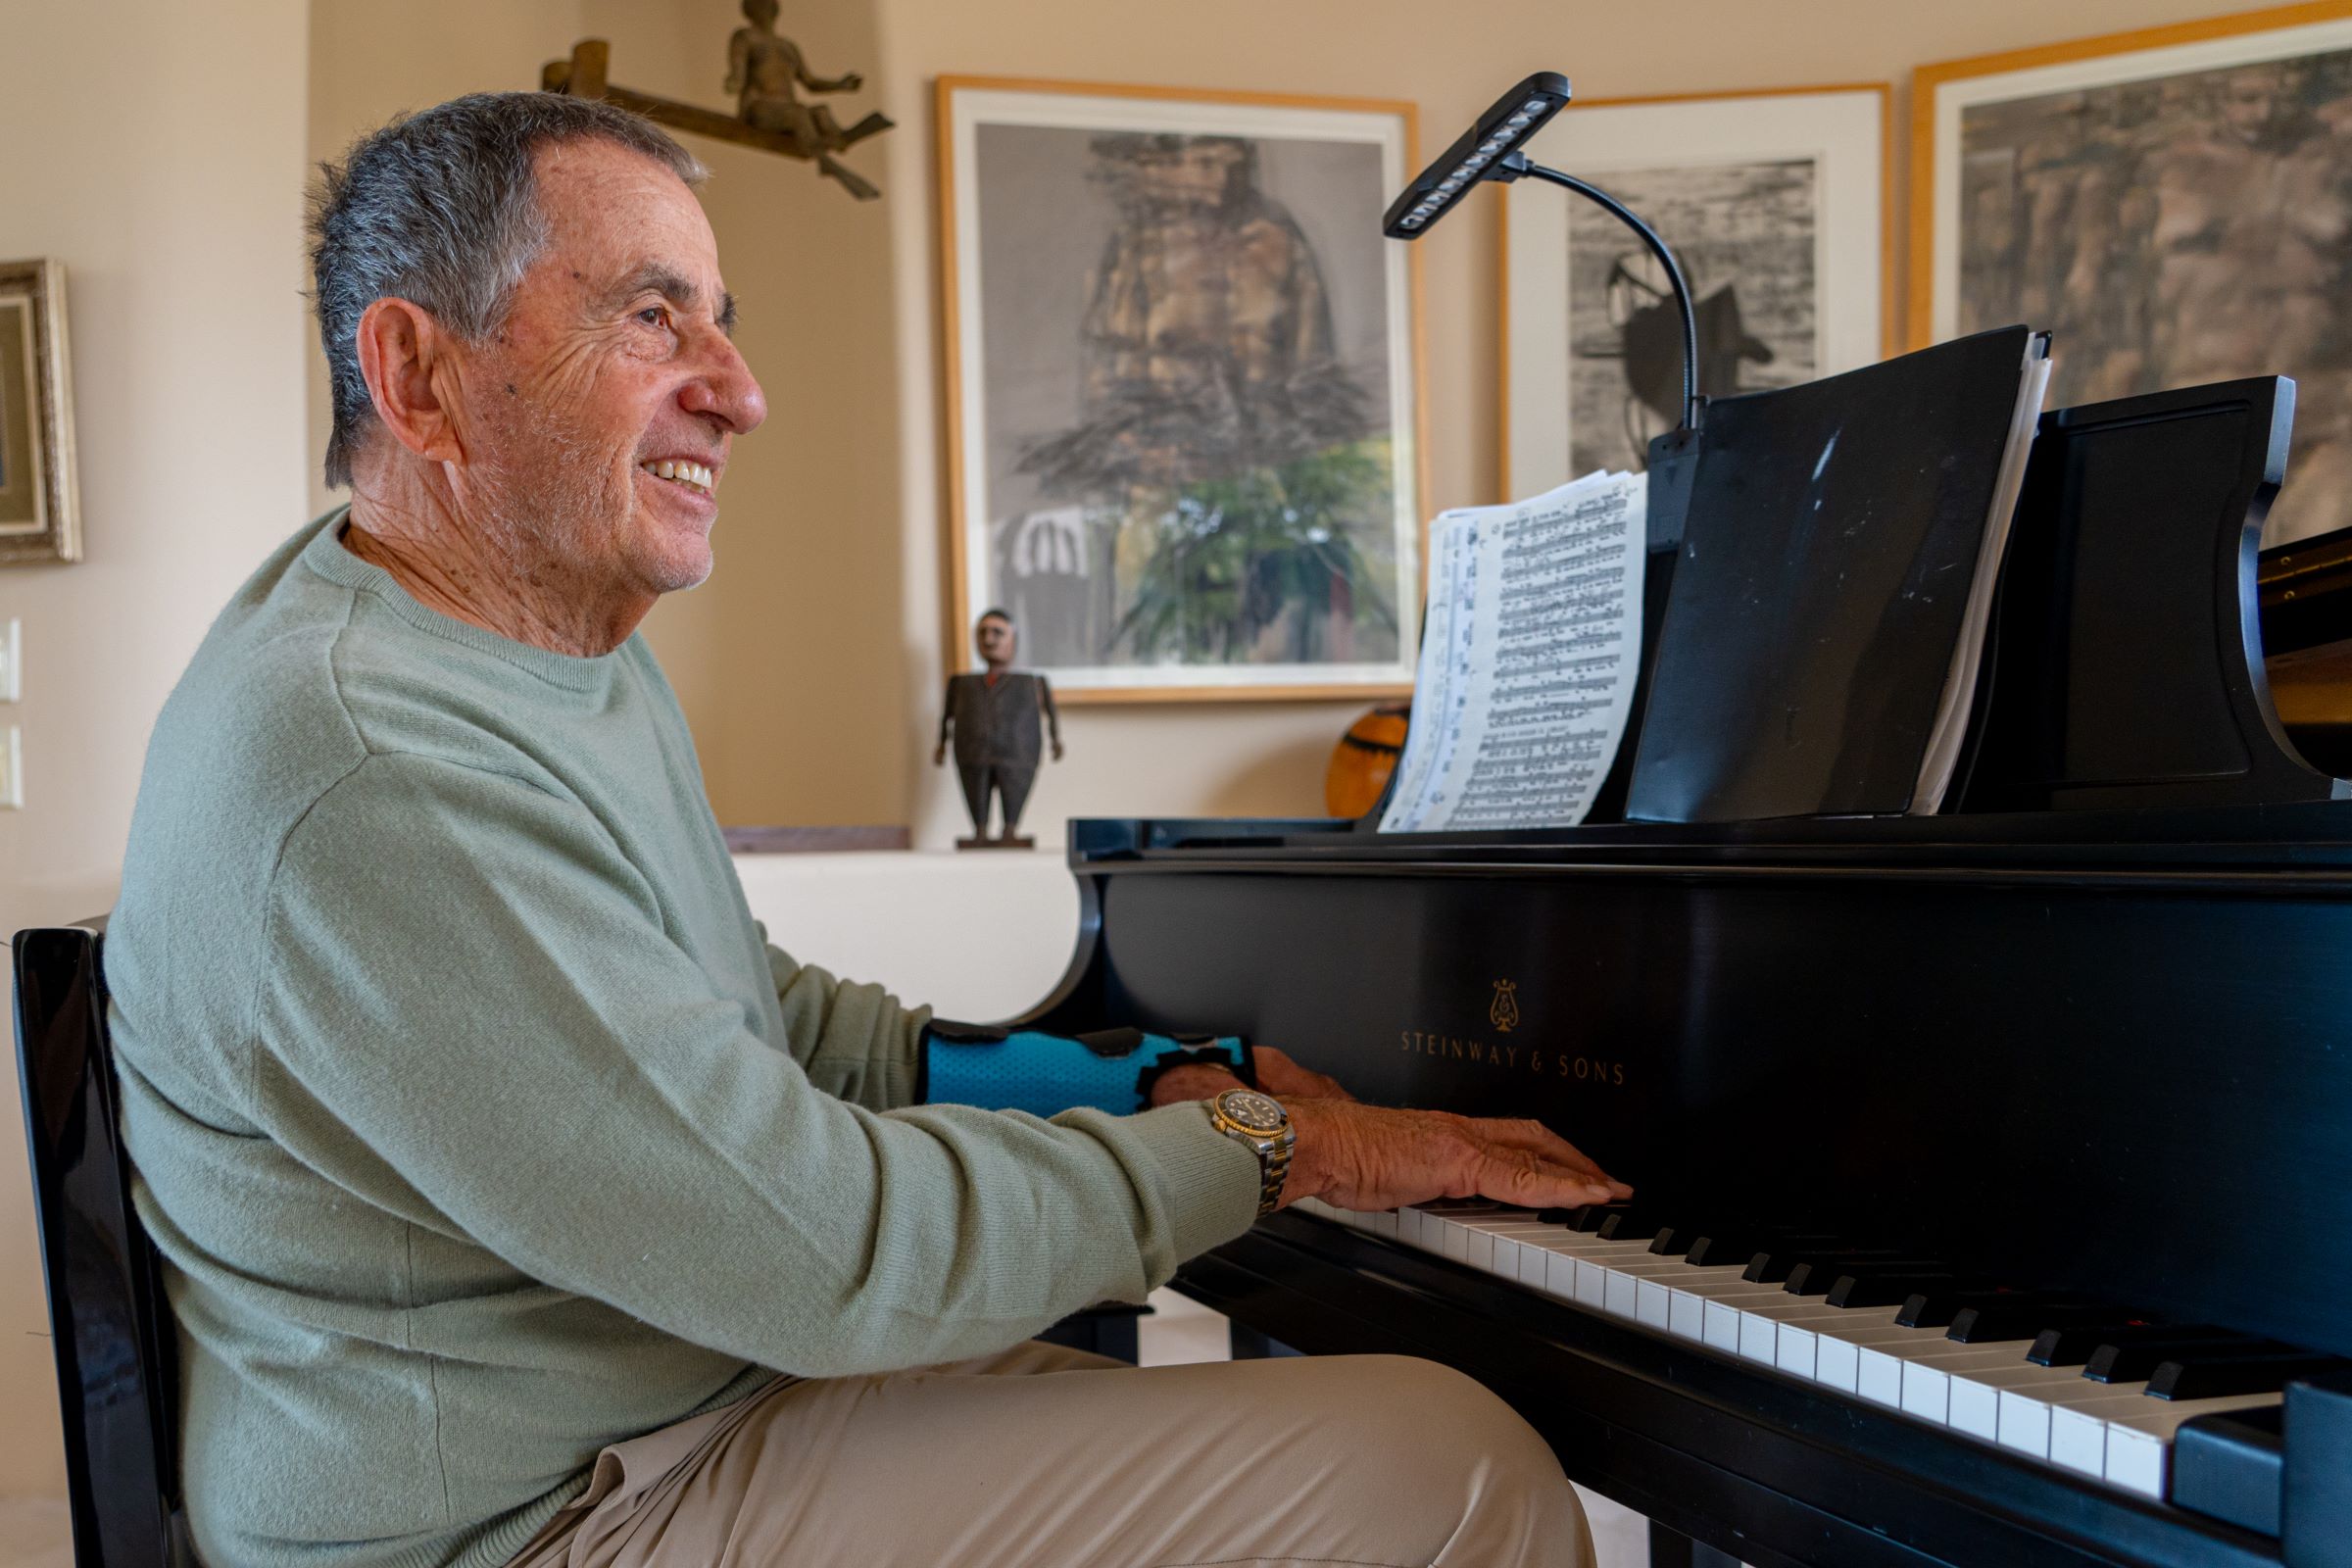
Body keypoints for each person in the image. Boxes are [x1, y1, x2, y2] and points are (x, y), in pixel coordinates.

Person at [103, 92, 1627, 1568]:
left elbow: (751, 1018)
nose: (741, 388)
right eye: (652, 316)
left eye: (719, 314)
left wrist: (1139, 1077)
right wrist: (1271, 1145)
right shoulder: (376, 764)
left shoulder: (539, 656)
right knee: (1445, 1471)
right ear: (420, 378)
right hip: (530, 1516)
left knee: (1319, 1431)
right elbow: (824, 1257)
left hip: (683, 1400)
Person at [934, 607, 1060, 845]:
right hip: (972, 752)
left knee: (1014, 790)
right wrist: (941, 744)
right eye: (982, 633)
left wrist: (1055, 740)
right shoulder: (962, 684)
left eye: (997, 633)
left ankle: (1010, 829)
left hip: (1018, 753)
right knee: (975, 790)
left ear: (1013, 639)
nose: (989, 640)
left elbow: (1051, 714)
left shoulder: (1031, 683)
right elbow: (947, 715)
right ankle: (980, 830)